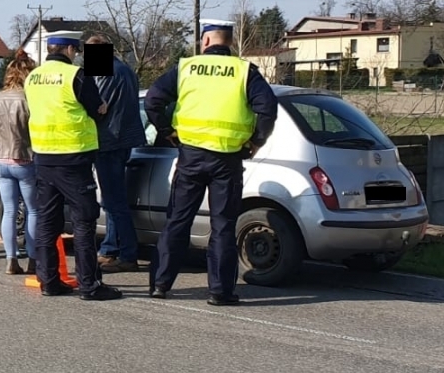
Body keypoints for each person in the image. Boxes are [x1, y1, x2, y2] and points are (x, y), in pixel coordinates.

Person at [144, 18, 278, 305]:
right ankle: (220, 291)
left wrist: (167, 132)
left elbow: (153, 100)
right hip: (227, 161)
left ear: (205, 41)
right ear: (229, 42)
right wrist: (256, 141)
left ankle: (160, 284)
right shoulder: (244, 71)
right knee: (223, 226)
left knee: (178, 221)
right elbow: (268, 110)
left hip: (190, 156)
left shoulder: (186, 68)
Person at [23, 32, 122, 299]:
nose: (77, 54)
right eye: (76, 50)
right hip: (74, 157)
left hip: (43, 157)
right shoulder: (75, 75)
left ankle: (49, 281)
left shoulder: (32, 77)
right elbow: (97, 108)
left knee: (47, 222)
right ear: (68, 50)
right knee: (85, 220)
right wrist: (101, 109)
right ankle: (89, 284)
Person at [86, 34, 147, 273]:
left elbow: (99, 107)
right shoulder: (125, 70)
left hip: (111, 140)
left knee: (114, 201)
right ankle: (110, 248)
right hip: (122, 139)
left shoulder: (109, 73)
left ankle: (128, 254)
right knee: (112, 199)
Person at [0, 52, 39, 275]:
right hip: (25, 158)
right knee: (33, 211)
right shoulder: (29, 99)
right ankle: (34, 259)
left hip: (1, 159)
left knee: (9, 210)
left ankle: (11, 259)